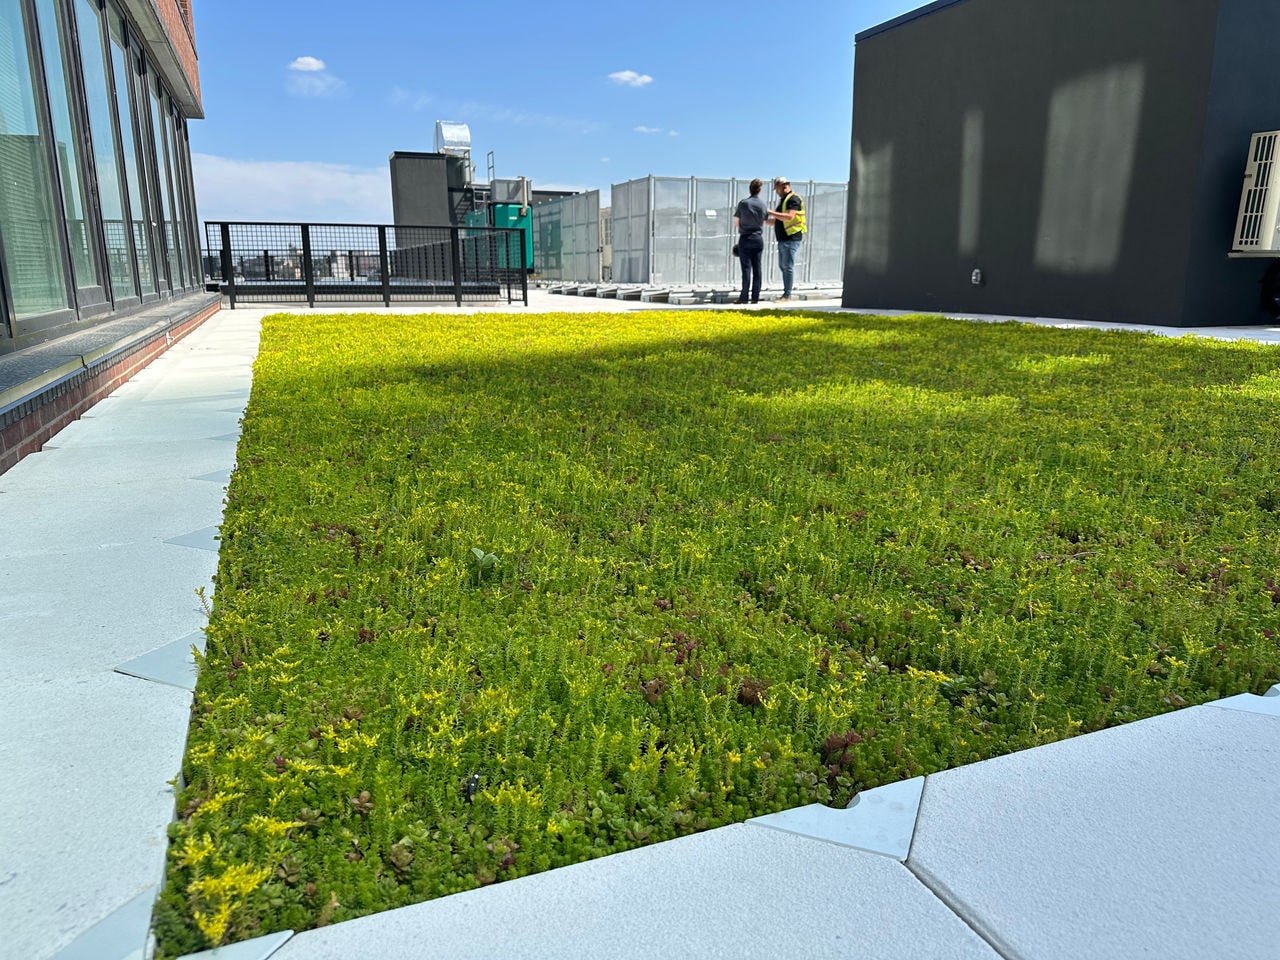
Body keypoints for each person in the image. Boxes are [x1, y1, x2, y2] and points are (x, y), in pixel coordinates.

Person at [766, 175, 805, 302]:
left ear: (783, 186)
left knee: (787, 266)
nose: (776, 191)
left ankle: (787, 295)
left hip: (791, 238)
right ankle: (786, 293)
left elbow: (789, 217)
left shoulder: (793, 199)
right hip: (783, 239)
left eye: (776, 188)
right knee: (783, 266)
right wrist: (763, 219)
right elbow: (778, 221)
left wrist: (769, 212)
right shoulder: (783, 200)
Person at [732, 179, 768, 304]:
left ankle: (744, 297)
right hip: (758, 239)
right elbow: (764, 221)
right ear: (760, 190)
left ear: (750, 189)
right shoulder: (763, 205)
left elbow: (736, 222)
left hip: (745, 238)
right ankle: (755, 297)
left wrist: (744, 226)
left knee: (746, 269)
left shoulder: (743, 203)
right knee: (757, 269)